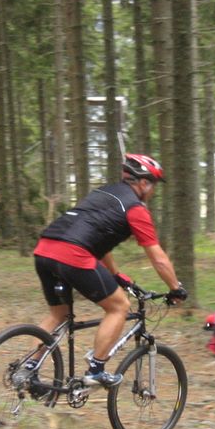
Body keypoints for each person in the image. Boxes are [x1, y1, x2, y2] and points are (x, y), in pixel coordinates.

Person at [31, 153, 187, 387]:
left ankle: (28, 370)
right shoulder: (136, 209)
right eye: (153, 185)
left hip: (44, 250)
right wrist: (176, 288)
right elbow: (158, 258)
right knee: (119, 306)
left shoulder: (102, 193)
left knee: (58, 314)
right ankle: (96, 370)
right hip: (73, 254)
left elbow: (96, 241)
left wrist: (114, 274)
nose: (153, 191)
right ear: (144, 183)